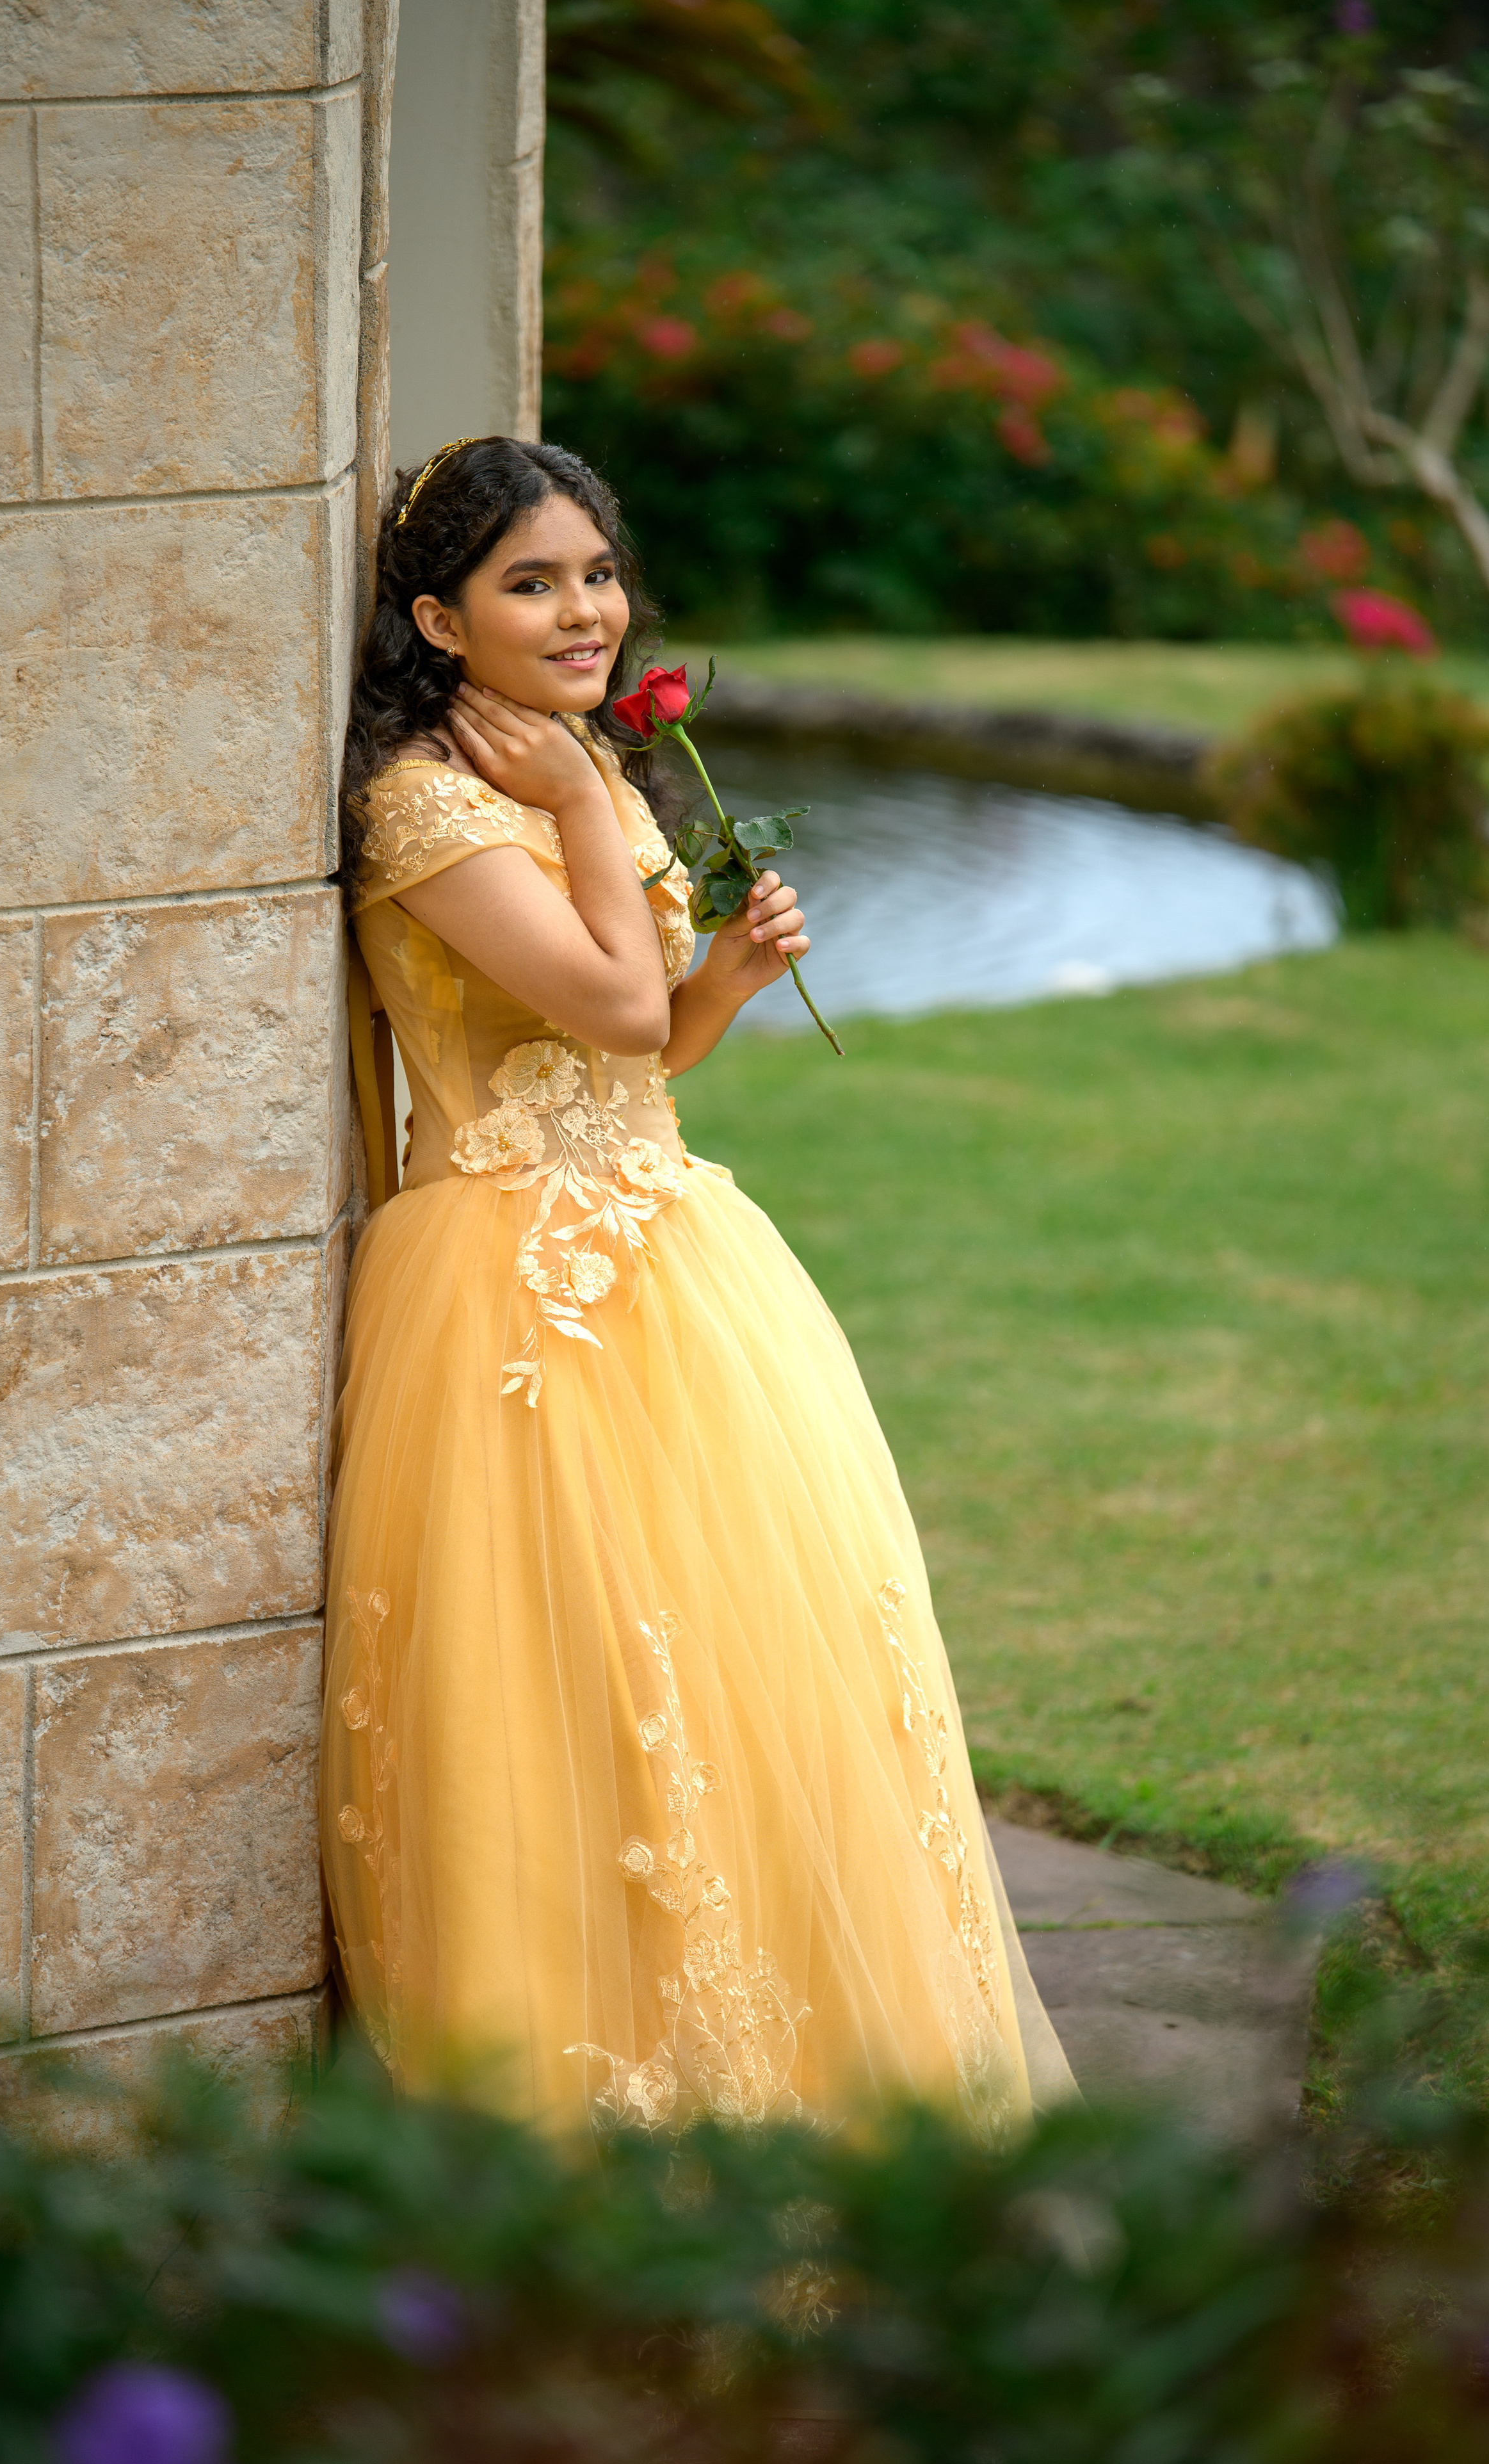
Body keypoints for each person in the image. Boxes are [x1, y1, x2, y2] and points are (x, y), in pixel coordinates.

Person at [322, 435, 1072, 2138]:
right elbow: (592, 1004)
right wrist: (593, 806)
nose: (584, 608)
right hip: (514, 1295)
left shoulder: (566, 754)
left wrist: (723, 976)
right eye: (533, 582)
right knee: (567, 1692)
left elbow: (646, 1050)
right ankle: (594, 2115)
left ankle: (792, 2087)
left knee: (750, 1684)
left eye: (596, 571)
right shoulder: (427, 803)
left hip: (675, 1256)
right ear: (439, 619)